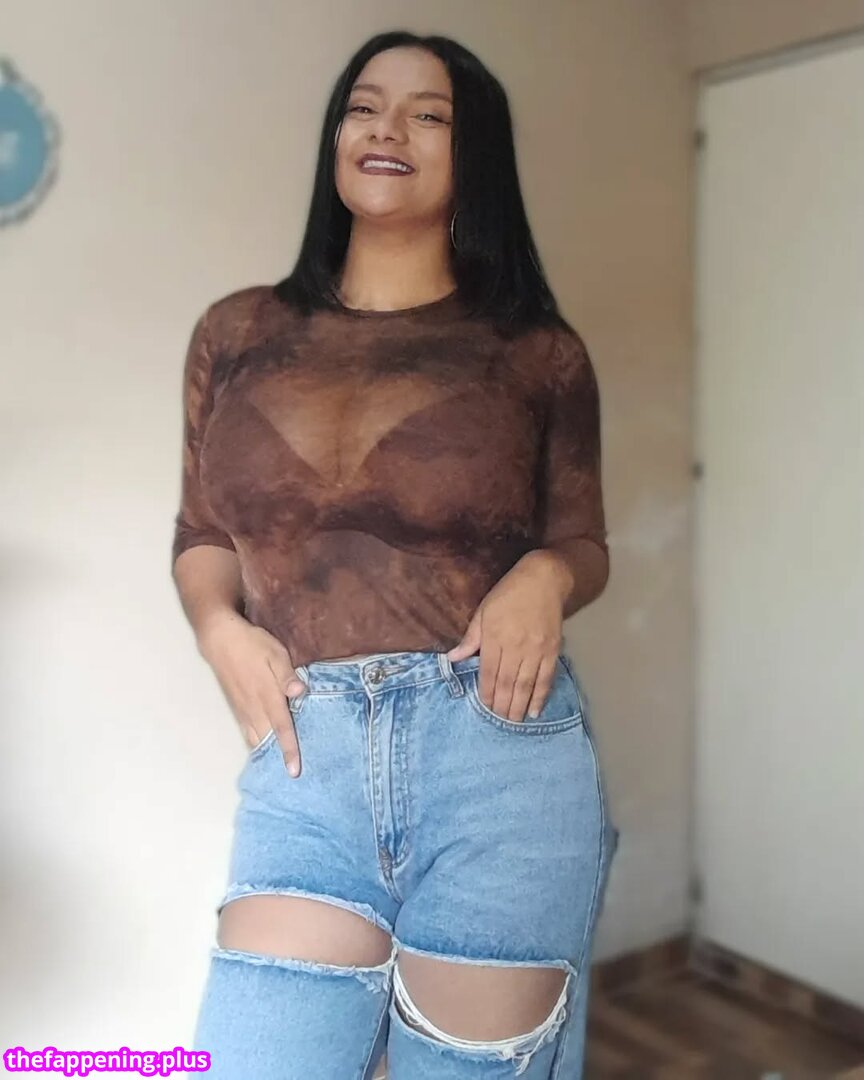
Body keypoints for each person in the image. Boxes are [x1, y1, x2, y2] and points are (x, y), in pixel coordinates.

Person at [172, 29, 618, 1080]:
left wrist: (545, 575)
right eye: (365, 106)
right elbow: (202, 533)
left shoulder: (536, 351)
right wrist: (218, 629)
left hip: (497, 752)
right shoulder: (236, 333)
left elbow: (581, 540)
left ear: (475, 156)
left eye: (430, 114)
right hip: (306, 757)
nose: (388, 129)